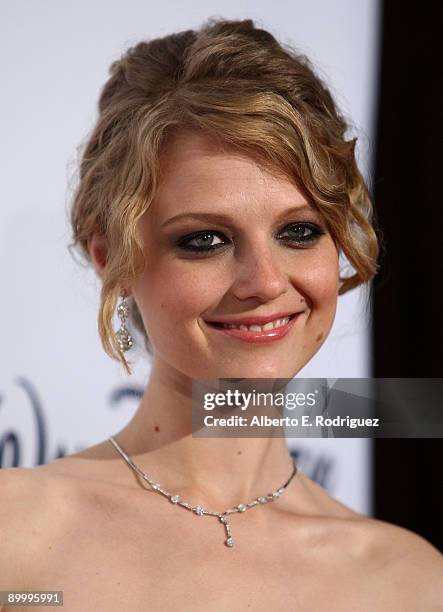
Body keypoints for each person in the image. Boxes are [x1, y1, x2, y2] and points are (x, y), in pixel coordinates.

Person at [1, 17, 442, 612]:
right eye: (205, 240)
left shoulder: (411, 579)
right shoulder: (16, 537)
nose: (263, 282)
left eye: (299, 231)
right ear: (111, 257)